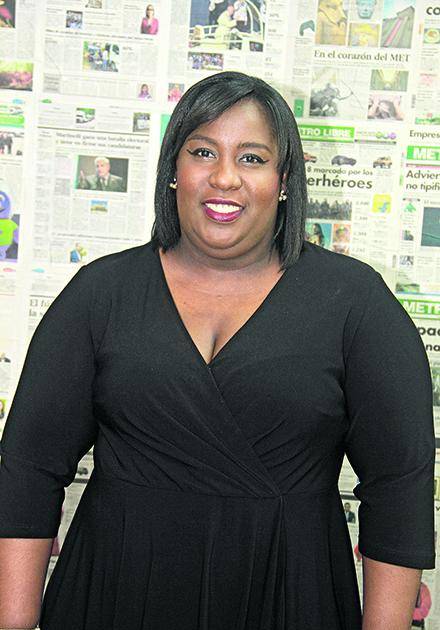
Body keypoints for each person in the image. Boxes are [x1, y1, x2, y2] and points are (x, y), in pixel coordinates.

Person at [0, 71, 435, 630]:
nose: (225, 177)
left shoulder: (356, 303)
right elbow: (29, 469)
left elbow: (398, 489)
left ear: (284, 180)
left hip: (287, 595)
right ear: (174, 171)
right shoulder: (100, 294)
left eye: (252, 158)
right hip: (113, 591)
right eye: (203, 152)